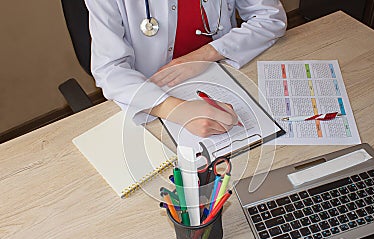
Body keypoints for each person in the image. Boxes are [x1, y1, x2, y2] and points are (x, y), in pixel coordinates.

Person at [85, 0, 287, 137]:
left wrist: (205, 55)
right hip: (149, 97)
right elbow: (109, 69)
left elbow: (270, 19)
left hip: (224, 72)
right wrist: (175, 110)